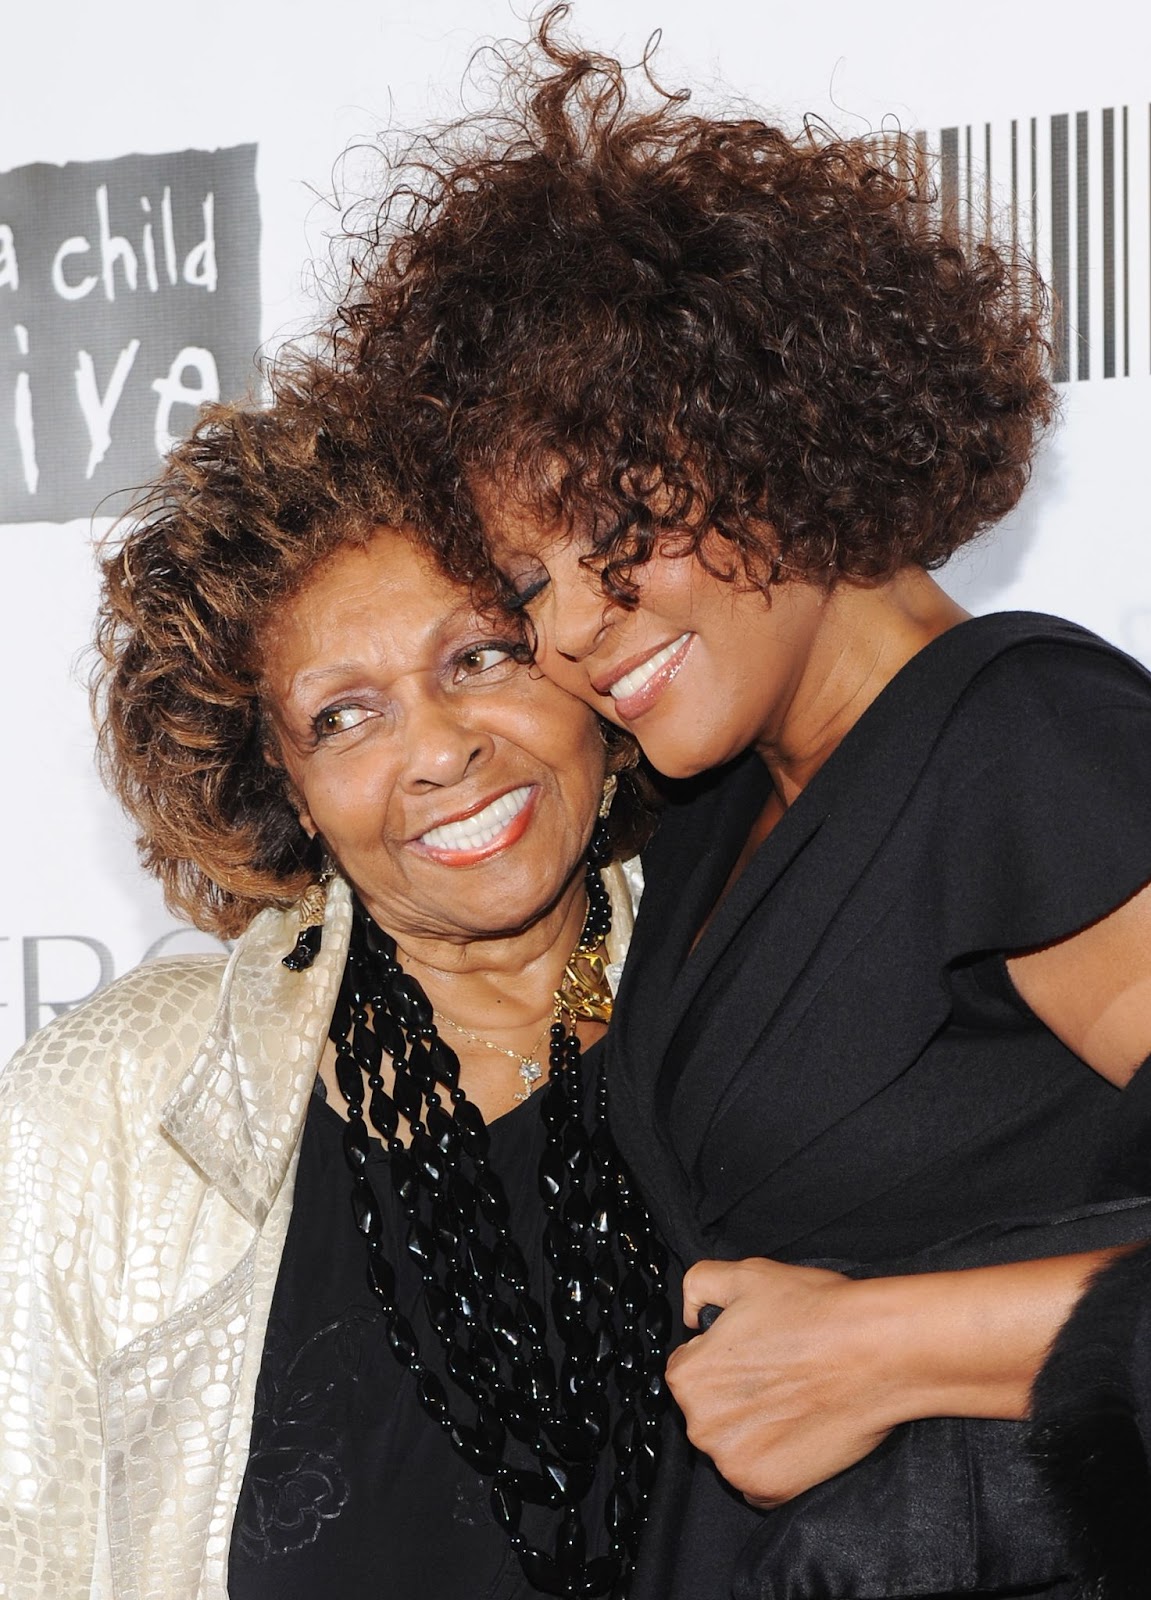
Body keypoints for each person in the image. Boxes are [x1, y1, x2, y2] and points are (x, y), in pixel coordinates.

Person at [331, 18, 1151, 1598]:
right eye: (527, 581)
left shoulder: (1022, 744)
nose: (570, 627)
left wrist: (885, 1347)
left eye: (615, 528)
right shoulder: (709, 813)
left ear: (778, 424)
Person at [0, 391, 670, 1600]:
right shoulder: (105, 1104)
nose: (436, 748)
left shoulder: (752, 984)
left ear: (588, 670)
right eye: (344, 715)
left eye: (481, 655)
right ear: (291, 788)